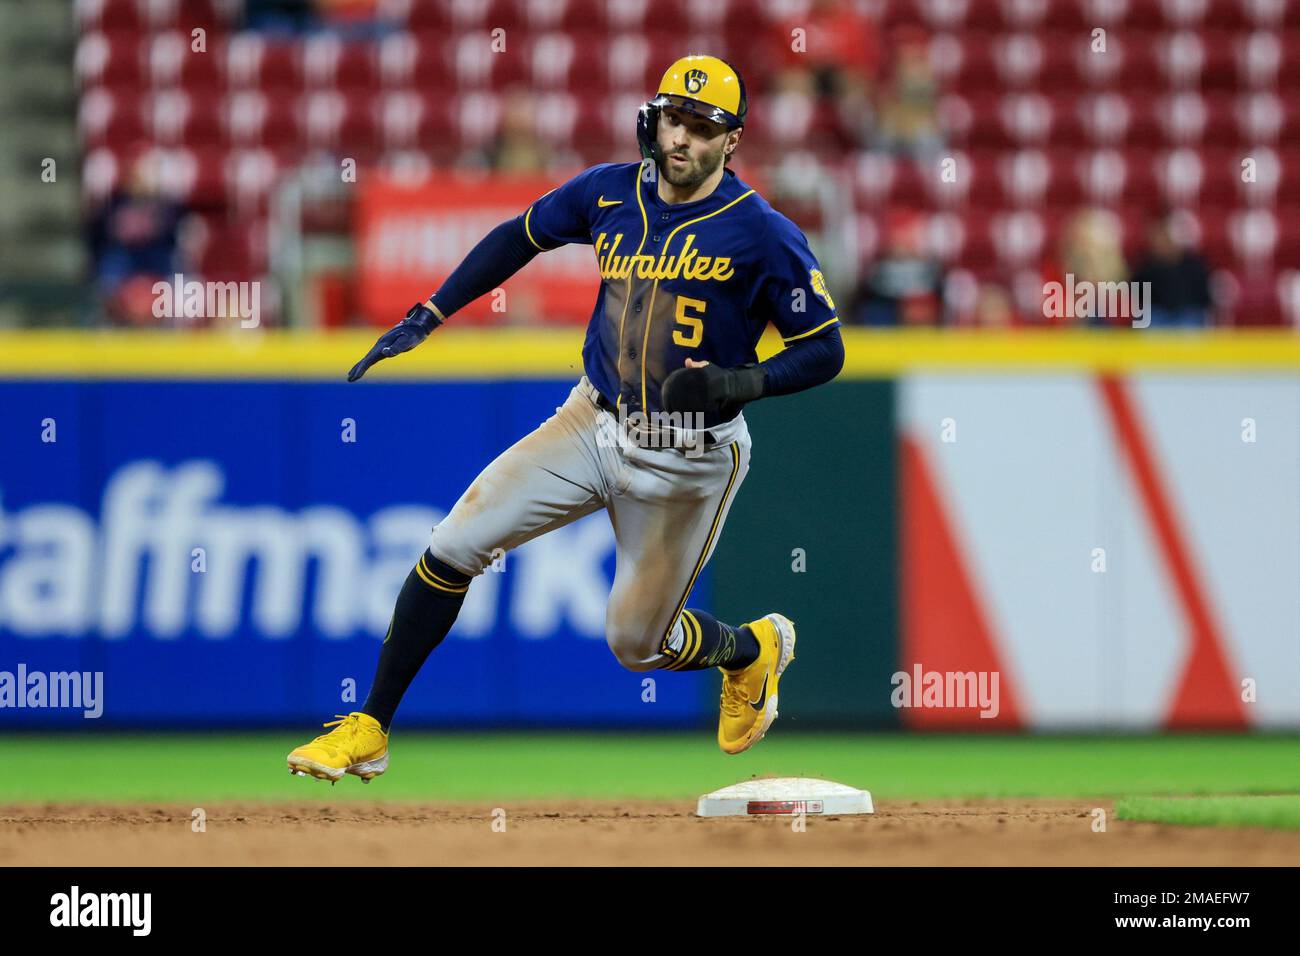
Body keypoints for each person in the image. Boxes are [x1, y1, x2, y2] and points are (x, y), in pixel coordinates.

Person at [286, 55, 846, 783]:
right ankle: (370, 726)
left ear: (731, 140)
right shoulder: (609, 191)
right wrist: (431, 312)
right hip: (593, 418)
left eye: (704, 127)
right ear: (655, 118)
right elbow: (519, 235)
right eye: (675, 118)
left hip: (690, 455)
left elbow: (824, 348)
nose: (683, 138)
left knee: (635, 644)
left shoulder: (760, 232)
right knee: (457, 538)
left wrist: (743, 380)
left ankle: (747, 650)